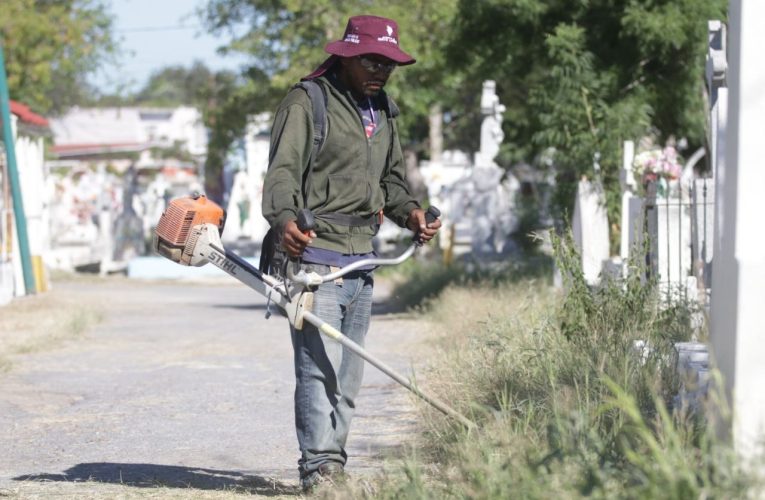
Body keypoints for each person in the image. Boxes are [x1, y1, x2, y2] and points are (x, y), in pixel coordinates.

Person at [261, 14, 440, 491]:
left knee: (349, 373)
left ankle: (333, 461)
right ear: (345, 57)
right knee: (318, 367)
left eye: (389, 63)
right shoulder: (308, 102)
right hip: (316, 257)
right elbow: (281, 174)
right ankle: (318, 466)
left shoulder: (382, 110)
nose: (381, 69)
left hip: (363, 259)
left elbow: (393, 183)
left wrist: (413, 214)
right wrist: (284, 222)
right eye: (371, 60)